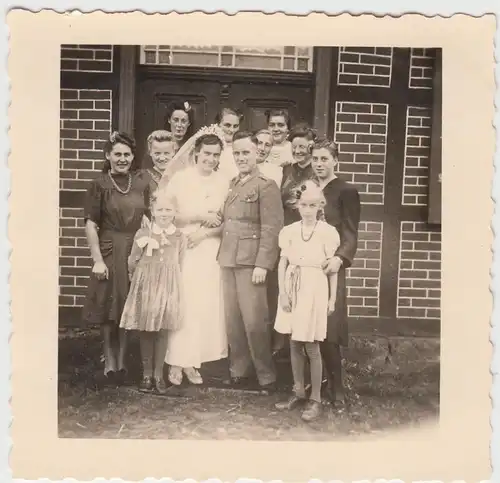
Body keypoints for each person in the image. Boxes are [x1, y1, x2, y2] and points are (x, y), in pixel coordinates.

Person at [161, 128, 229, 386]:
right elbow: (169, 215)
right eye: (206, 154)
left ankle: (194, 361)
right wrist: (200, 219)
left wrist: (207, 233)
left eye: (215, 155)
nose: (210, 159)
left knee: (205, 303)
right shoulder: (181, 179)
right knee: (185, 302)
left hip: (210, 246)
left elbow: (227, 220)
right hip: (185, 245)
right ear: (196, 153)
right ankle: (177, 360)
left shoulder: (224, 182)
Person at [82, 131, 151, 384]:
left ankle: (122, 361)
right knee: (108, 306)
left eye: (127, 154)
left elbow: (151, 216)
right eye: (117, 154)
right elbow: (91, 224)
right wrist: (97, 260)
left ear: (133, 157)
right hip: (110, 248)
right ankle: (109, 360)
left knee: (127, 306)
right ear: (108, 156)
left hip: (135, 249)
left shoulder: (141, 181)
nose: (122, 159)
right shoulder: (99, 184)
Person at [218, 131, 284, 392]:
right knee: (233, 319)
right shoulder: (234, 182)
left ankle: (266, 376)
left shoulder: (266, 185)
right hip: (229, 258)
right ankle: (239, 371)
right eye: (237, 153)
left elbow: (272, 227)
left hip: (251, 261)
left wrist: (262, 264)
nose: (241, 157)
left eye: (246, 152)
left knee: (255, 320)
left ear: (257, 153)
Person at [274, 180, 340, 421]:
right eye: (304, 205)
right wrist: (282, 292)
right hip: (293, 285)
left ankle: (315, 400)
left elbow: (332, 270)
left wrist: (332, 299)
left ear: (320, 205)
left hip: (314, 288)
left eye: (313, 205)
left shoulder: (327, 232)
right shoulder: (290, 231)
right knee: (293, 341)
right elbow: (283, 263)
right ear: (297, 205)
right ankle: (298, 391)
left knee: (311, 344)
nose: (308, 209)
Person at [120, 193, 186, 394]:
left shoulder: (179, 236)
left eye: (168, 210)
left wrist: (173, 283)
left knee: (162, 329)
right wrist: (137, 279)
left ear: (175, 213)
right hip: (146, 285)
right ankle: (146, 374)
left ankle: (159, 374)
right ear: (153, 211)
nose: (164, 214)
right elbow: (132, 260)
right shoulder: (143, 234)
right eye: (160, 210)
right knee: (146, 329)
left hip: (167, 286)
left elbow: (180, 262)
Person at [311, 139, 361, 405]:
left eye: (324, 159)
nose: (319, 164)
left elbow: (351, 233)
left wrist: (340, 258)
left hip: (331, 266)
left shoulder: (345, 191)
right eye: (315, 159)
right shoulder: (308, 189)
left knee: (329, 326)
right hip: (307, 264)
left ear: (335, 161)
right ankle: (311, 385)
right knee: (308, 323)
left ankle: (336, 385)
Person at [281, 125, 318, 226]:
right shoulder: (286, 170)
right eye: (294, 147)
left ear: (311, 147)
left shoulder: (318, 172)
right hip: (287, 227)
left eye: (301, 147)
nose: (297, 151)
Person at [215, 107, 243, 182]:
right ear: (218, 125)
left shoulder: (242, 147)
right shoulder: (210, 147)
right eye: (227, 125)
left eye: (235, 126)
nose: (232, 130)